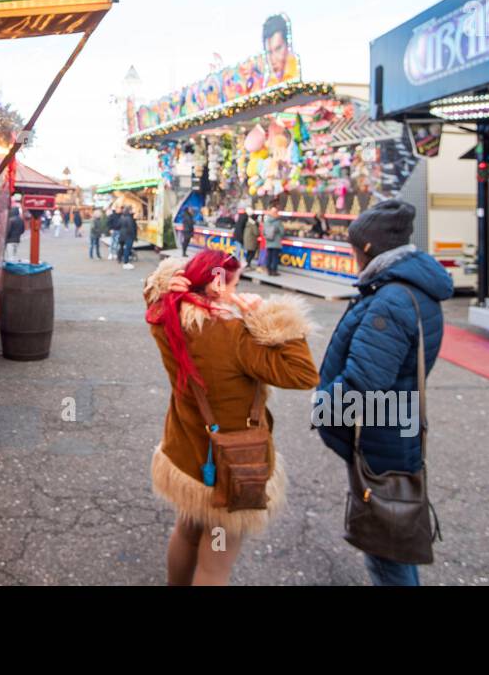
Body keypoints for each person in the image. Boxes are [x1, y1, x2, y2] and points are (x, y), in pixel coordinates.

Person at [144, 249, 318, 585]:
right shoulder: (236, 335)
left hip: (186, 451)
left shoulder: (167, 317)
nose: (238, 290)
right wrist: (269, 317)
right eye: (236, 283)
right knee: (215, 563)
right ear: (219, 286)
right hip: (233, 466)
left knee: (187, 531)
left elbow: (152, 295)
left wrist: (169, 284)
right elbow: (303, 374)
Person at [312, 199, 453, 587]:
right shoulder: (410, 289)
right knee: (391, 535)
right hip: (397, 423)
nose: (351, 252)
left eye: (354, 245)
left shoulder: (390, 300)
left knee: (385, 546)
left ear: (369, 249)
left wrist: (323, 406)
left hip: (381, 434)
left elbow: (364, 380)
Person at [262, 210, 284, 276]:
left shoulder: (266, 222)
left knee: (269, 257)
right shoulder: (278, 222)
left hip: (268, 242)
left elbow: (263, 232)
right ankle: (274, 271)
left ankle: (269, 270)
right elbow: (282, 232)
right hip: (276, 243)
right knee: (275, 258)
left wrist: (267, 238)